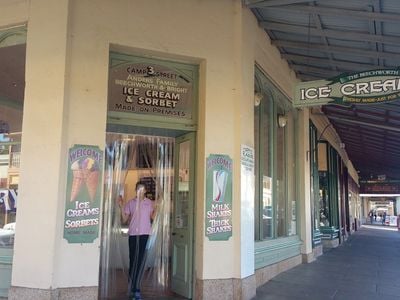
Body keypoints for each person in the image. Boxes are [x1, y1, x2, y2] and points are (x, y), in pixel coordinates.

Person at [118, 182, 156, 300]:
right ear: (136, 190)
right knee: (133, 260)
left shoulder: (149, 203)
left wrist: (159, 207)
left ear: (145, 191)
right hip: (133, 235)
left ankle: (136, 288)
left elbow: (153, 217)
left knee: (140, 262)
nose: (140, 191)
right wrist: (120, 205)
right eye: (138, 189)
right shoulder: (130, 203)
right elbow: (124, 219)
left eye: (142, 189)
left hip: (145, 235)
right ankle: (132, 286)